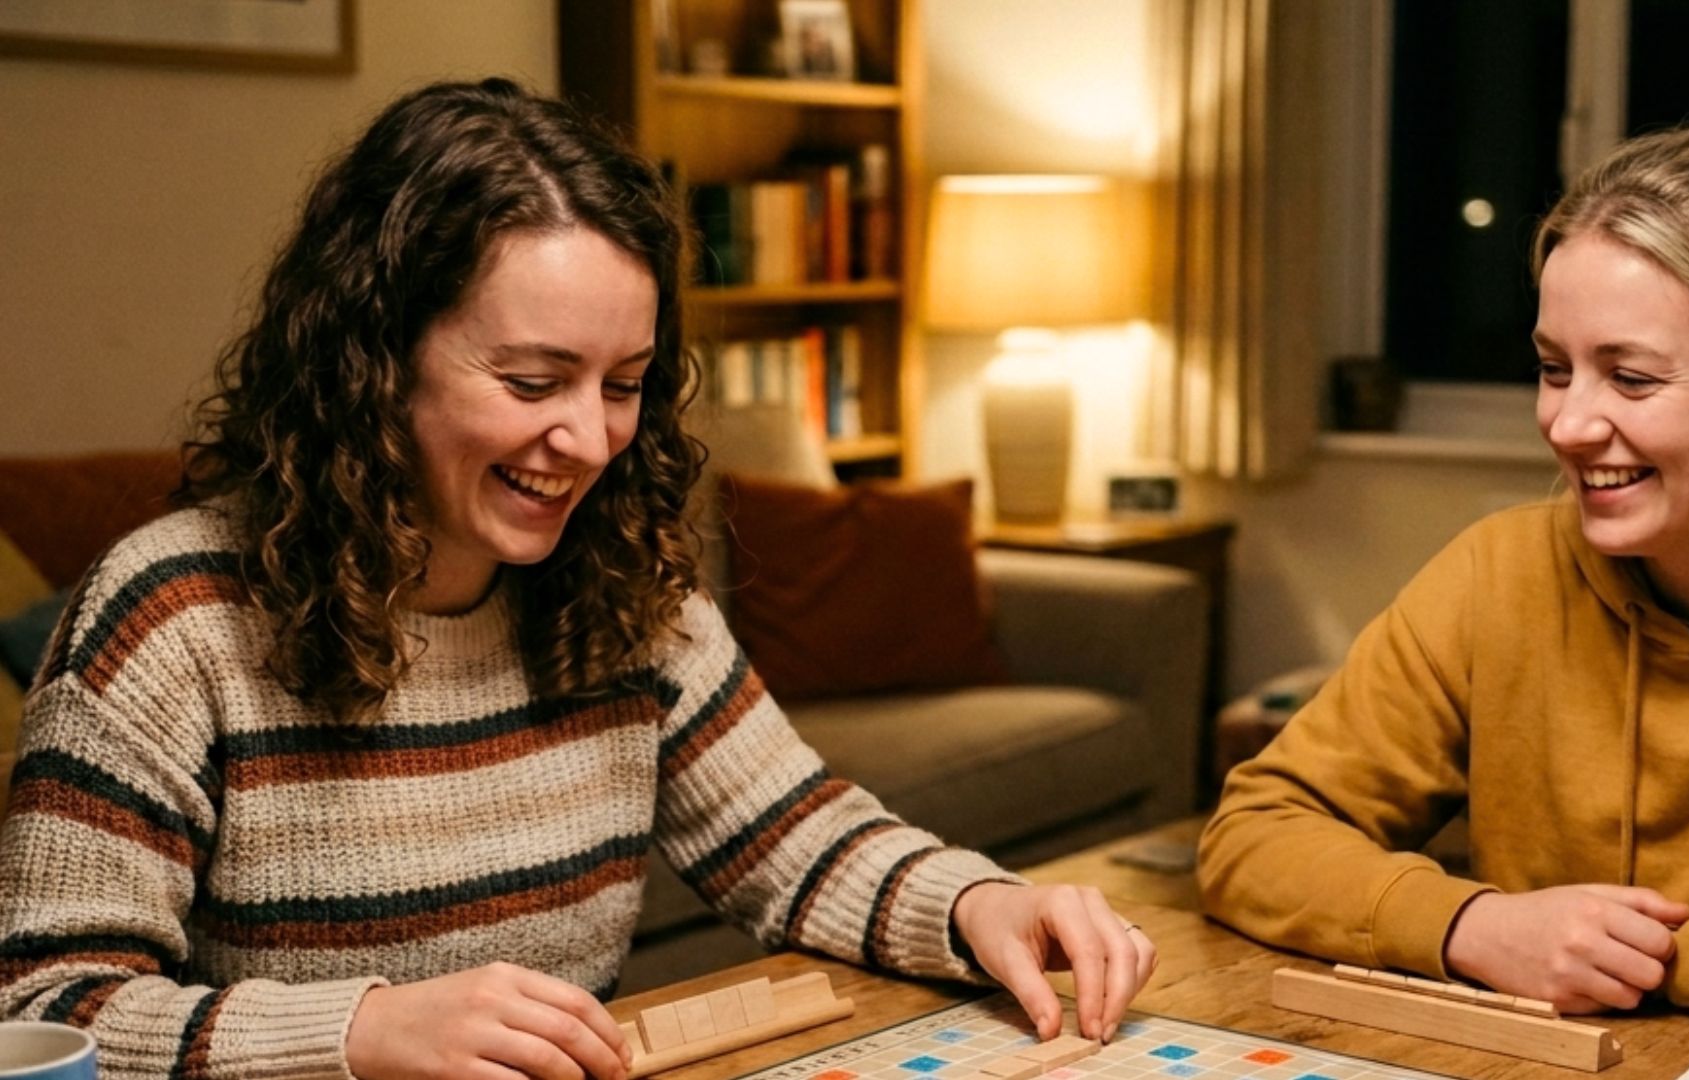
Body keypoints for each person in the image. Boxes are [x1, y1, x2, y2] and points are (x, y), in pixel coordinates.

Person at [0, 79, 1155, 1080]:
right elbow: (44, 1012)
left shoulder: (625, 588)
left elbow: (795, 839)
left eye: (623, 383)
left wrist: (979, 902)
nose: (592, 440)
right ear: (375, 359)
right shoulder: (173, 619)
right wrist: (360, 1033)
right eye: (533, 380)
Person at [1199, 114, 1689, 1057]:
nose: (1569, 426)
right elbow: (1254, 834)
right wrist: (1475, 927)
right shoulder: (1498, 574)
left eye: (1632, 378)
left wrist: (1658, 955)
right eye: (1553, 369)